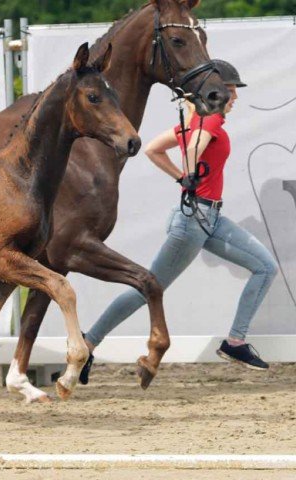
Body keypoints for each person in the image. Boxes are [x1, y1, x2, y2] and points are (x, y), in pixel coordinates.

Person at [80, 60, 278, 383]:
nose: (235, 98)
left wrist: (181, 176)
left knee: (266, 266)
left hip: (210, 217)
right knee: (146, 287)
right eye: (230, 91)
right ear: (215, 93)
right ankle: (88, 342)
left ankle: (235, 342)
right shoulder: (210, 120)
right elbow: (188, 153)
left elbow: (154, 150)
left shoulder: (201, 121)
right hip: (192, 223)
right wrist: (186, 167)